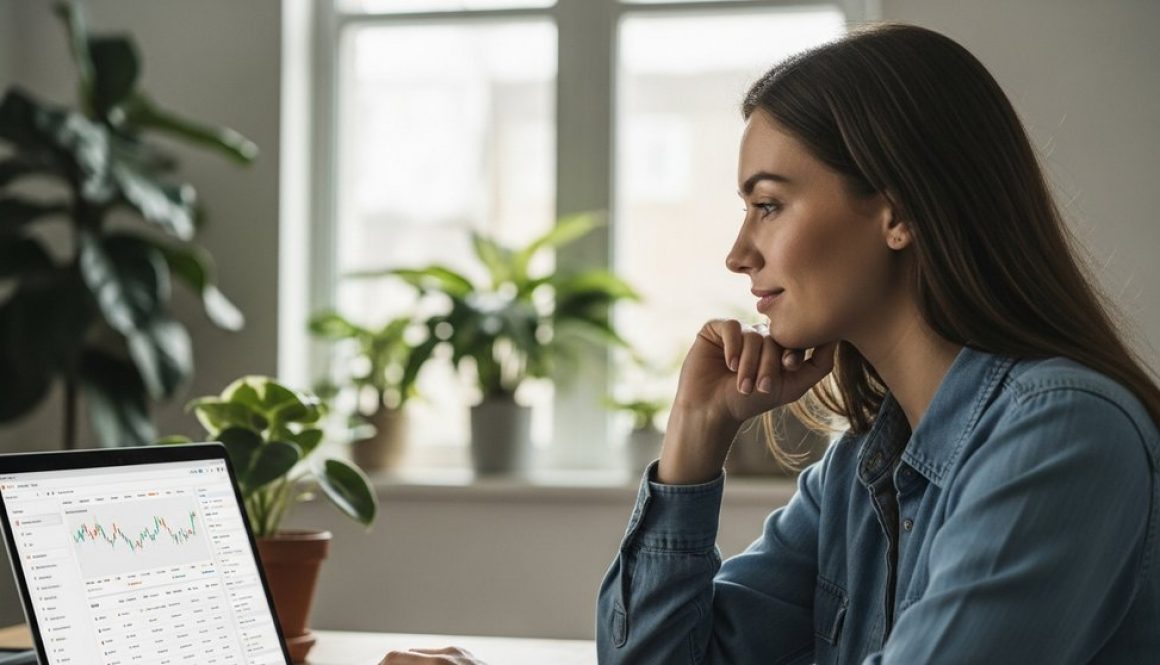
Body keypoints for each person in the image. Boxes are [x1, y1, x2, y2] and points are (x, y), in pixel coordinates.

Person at [378, 21, 1160, 665]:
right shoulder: (859, 471)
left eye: (769, 205)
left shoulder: (1063, 432)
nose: (738, 252)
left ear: (896, 212)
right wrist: (693, 439)